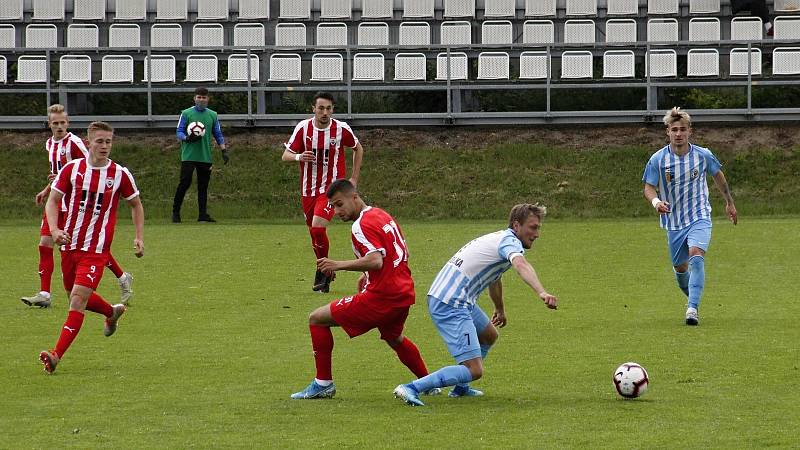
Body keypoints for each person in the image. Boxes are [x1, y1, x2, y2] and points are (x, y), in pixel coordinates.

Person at [393, 204, 558, 407]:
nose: (537, 233)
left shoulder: (501, 239)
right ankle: (411, 387)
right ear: (516, 225)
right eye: (533, 227)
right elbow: (521, 265)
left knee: (489, 335)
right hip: (451, 302)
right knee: (474, 370)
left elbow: (494, 278)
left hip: (453, 297)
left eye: (538, 228)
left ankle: (460, 388)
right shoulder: (509, 242)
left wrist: (499, 309)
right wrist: (541, 292)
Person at [290, 180, 432, 400]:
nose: (337, 212)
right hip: (404, 293)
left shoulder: (360, 226)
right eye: (333, 207)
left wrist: (337, 264)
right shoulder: (381, 214)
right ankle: (429, 383)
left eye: (339, 204)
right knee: (394, 338)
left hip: (382, 297)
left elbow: (375, 261)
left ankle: (323, 383)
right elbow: (397, 252)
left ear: (354, 196)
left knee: (316, 318)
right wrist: (366, 276)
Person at [38, 121, 145, 374]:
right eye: (100, 141)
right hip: (69, 245)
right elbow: (53, 202)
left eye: (108, 141)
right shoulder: (71, 170)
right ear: (88, 142)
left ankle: (55, 356)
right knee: (75, 297)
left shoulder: (119, 174)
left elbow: (136, 205)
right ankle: (112, 311)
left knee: (76, 300)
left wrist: (139, 237)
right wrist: (54, 230)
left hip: (97, 250)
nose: (105, 146)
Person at [21, 104, 133, 308]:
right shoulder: (49, 144)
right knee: (45, 243)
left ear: (68, 122)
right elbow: (61, 174)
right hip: (57, 201)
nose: (60, 126)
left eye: (63, 122)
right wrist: (48, 189)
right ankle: (45, 293)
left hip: (77, 205)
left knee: (88, 245)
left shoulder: (76, 144)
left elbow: (88, 169)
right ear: (49, 124)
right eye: (55, 123)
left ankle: (122, 276)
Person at [642, 107, 737, 326]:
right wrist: (657, 202)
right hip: (674, 221)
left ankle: (692, 309)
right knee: (680, 268)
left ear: (689, 131)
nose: (678, 134)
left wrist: (729, 202)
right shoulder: (658, 159)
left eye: (682, 129)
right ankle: (692, 299)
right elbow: (649, 187)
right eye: (674, 129)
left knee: (696, 255)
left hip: (699, 215)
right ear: (667, 131)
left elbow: (719, 177)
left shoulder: (703, 155)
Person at [281, 92, 364, 293]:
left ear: (332, 110)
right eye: (321, 108)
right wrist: (299, 156)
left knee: (318, 228)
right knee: (314, 233)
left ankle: (324, 270)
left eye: (328, 108)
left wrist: (353, 179)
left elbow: (358, 148)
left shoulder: (341, 129)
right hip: (308, 190)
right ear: (313, 109)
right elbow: (286, 155)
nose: (325, 112)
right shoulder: (303, 128)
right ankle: (325, 270)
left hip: (331, 190)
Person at [172, 87, 229, 223]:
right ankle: (175, 212)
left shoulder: (213, 115)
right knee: (185, 182)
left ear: (208, 99)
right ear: (194, 98)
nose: (201, 100)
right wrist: (186, 138)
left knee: (203, 186)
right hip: (189, 155)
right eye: (199, 97)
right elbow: (179, 131)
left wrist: (223, 150)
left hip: (205, 155)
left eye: (204, 98)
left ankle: (202, 215)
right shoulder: (186, 113)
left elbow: (218, 133)